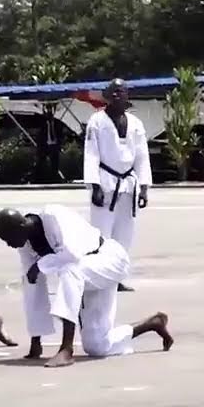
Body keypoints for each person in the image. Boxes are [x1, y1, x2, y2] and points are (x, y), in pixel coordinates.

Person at [0, 205, 173, 368]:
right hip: (89, 275)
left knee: (70, 270)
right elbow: (32, 285)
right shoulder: (25, 244)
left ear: (22, 227)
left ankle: (66, 349)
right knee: (97, 346)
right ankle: (153, 323)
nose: (8, 244)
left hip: (109, 260)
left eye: (8, 239)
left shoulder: (54, 217)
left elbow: (72, 255)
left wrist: (38, 266)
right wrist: (36, 340)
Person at [83, 79, 151, 292]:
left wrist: (144, 187)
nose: (116, 95)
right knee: (101, 233)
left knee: (124, 234)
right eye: (113, 92)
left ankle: (117, 278)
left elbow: (142, 156)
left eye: (120, 92)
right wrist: (93, 185)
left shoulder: (136, 123)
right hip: (105, 182)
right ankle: (98, 276)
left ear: (127, 95)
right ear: (107, 95)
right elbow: (91, 153)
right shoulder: (96, 121)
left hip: (128, 184)